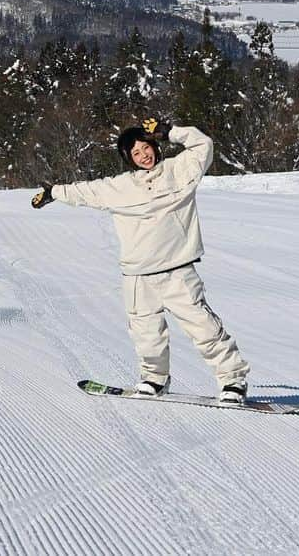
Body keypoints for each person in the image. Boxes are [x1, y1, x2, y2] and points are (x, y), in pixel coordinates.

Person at [30, 118, 250, 404]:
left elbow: (202, 144)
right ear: (128, 159)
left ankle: (232, 381)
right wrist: (54, 192)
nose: (143, 155)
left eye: (146, 147)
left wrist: (170, 132)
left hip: (177, 270)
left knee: (204, 327)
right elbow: (87, 191)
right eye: (135, 153)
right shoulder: (121, 187)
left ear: (155, 146)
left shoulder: (179, 170)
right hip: (137, 275)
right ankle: (155, 379)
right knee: (146, 334)